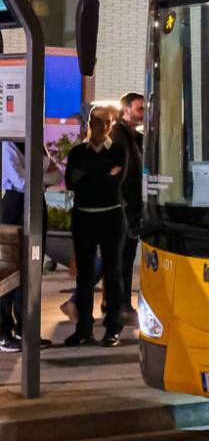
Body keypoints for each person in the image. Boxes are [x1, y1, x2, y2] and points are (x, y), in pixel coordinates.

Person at [64, 106, 127, 347]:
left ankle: (112, 328)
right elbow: (71, 182)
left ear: (111, 125)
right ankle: (83, 329)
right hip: (83, 217)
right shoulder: (77, 152)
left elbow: (113, 184)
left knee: (113, 274)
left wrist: (87, 176)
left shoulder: (118, 152)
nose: (102, 127)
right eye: (97, 121)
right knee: (84, 277)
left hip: (111, 217)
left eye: (107, 122)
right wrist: (102, 173)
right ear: (90, 123)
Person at [110, 92, 144, 328]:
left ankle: (119, 305)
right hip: (123, 206)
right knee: (121, 257)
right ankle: (121, 306)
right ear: (126, 110)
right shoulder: (117, 135)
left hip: (132, 205)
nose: (145, 113)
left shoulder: (136, 136)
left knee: (125, 256)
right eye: (141, 109)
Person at [0, 140, 22, 352]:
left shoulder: (35, 143)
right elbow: (20, 180)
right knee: (8, 273)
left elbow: (57, 174)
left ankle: (26, 329)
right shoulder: (9, 144)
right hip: (13, 207)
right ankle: (4, 333)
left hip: (32, 205)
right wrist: (43, 179)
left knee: (30, 272)